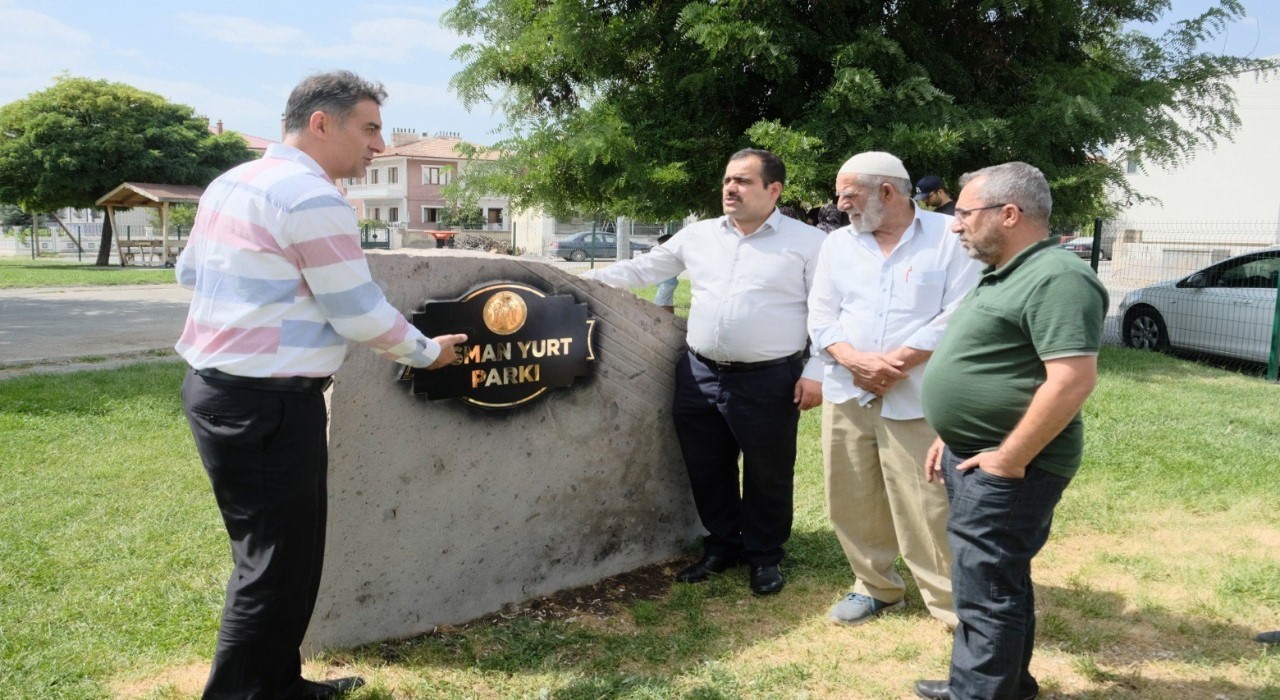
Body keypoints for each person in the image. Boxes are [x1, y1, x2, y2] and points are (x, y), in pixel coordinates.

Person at [175, 71, 467, 700]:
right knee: (273, 566)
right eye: (369, 128)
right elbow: (358, 310)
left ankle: (281, 684)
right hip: (265, 403)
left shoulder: (232, 181)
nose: (380, 145)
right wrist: (424, 353)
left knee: (287, 556)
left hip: (226, 392)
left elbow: (187, 271)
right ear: (320, 123)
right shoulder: (310, 196)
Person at [584, 148, 825, 595]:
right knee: (706, 466)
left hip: (769, 377)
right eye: (728, 180)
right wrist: (577, 282)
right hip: (699, 373)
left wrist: (818, 370)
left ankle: (764, 555)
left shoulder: (809, 243)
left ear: (774, 190)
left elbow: (827, 311)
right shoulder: (698, 236)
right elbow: (643, 269)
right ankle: (723, 544)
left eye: (744, 181)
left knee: (768, 470)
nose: (731, 188)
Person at [913, 162, 1107, 700]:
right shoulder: (1006, 272)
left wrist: (1008, 457)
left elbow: (1071, 380)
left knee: (984, 586)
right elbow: (993, 364)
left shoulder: (1060, 278)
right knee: (996, 578)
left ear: (1009, 213)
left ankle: (979, 692)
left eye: (965, 214)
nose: (955, 225)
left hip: (1012, 465)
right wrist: (952, 432)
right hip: (975, 453)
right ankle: (1002, 685)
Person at [808, 152, 979, 629]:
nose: (841, 205)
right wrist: (853, 359)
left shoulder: (950, 237)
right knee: (852, 496)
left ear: (887, 191)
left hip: (920, 392)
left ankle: (950, 605)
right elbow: (821, 316)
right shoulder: (838, 245)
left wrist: (899, 362)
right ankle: (875, 586)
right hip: (849, 390)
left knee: (927, 503)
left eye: (849, 194)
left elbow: (963, 311)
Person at [653, 229, 678, 313]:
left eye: (661, 245)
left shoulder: (670, 255)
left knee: (657, 304)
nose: (659, 247)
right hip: (668, 283)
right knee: (668, 304)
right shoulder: (670, 254)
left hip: (667, 283)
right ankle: (672, 321)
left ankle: (658, 323)